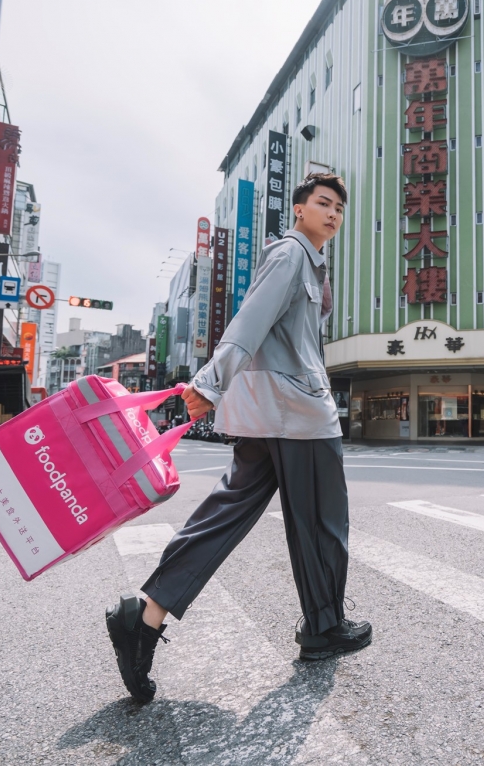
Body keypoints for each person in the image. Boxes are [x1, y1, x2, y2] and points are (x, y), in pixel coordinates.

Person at [105, 173, 371, 703]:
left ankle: (146, 618)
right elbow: (249, 321)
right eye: (323, 203)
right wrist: (209, 381)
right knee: (323, 521)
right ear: (298, 210)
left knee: (225, 514)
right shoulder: (293, 253)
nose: (333, 213)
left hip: (266, 416)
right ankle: (322, 626)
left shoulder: (309, 263)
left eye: (340, 207)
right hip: (296, 414)